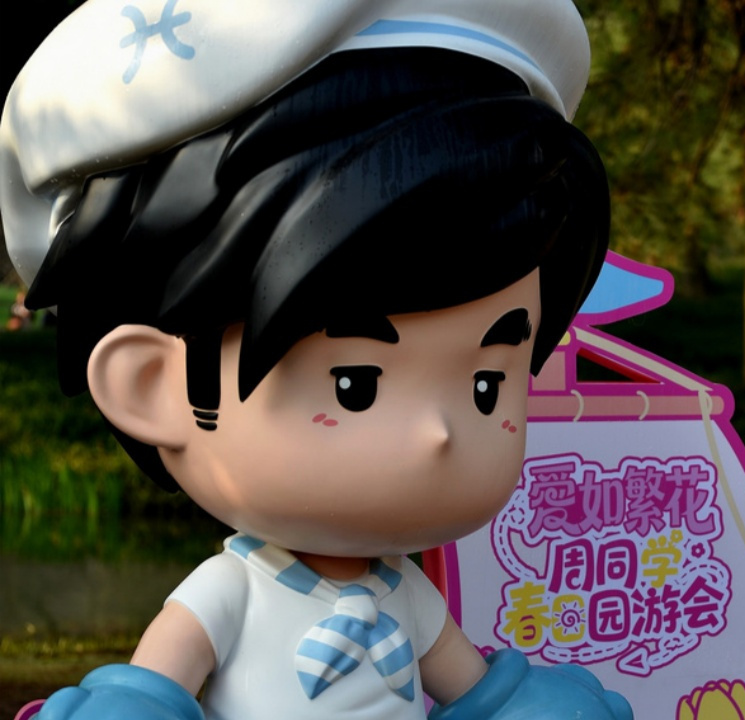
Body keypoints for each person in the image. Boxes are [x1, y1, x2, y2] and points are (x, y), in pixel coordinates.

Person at [1, 2, 627, 719]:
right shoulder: (230, 593)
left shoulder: (405, 594)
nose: (439, 433)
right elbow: (151, 692)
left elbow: (480, 692)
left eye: (488, 385)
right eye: (355, 384)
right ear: (148, 386)